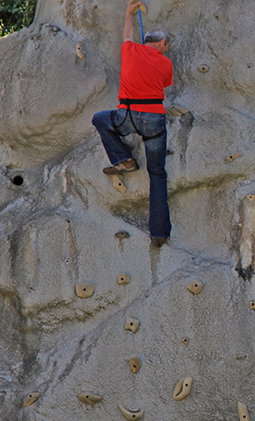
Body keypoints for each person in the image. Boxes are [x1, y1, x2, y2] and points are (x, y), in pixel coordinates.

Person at [91, 0, 173, 248]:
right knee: (157, 173)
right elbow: (164, 87)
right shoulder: (165, 63)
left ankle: (123, 158)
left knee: (99, 119)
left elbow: (127, 35)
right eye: (166, 46)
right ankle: (159, 234)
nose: (167, 50)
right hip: (153, 120)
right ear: (161, 44)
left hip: (126, 115)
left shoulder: (129, 50)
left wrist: (128, 13)